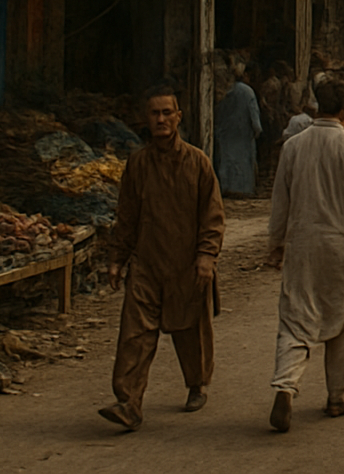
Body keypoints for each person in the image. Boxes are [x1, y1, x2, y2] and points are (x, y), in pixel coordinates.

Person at [99, 86, 225, 430]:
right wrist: (117, 259)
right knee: (134, 335)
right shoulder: (138, 163)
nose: (160, 119)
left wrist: (206, 256)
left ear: (178, 117)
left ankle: (196, 384)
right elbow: (127, 216)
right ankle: (129, 402)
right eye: (154, 114)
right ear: (146, 119)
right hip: (146, 264)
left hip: (187, 263)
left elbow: (213, 216)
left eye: (167, 113)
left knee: (191, 330)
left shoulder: (198, 162)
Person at [267, 78, 344, 432]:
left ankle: (285, 386)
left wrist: (276, 244)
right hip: (341, 248)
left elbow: (279, 202)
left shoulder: (293, 146)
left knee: (295, 318)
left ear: (317, 106)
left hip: (301, 246)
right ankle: (338, 396)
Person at [213, 66, 262, 195]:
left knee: (226, 162)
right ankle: (243, 191)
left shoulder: (222, 93)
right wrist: (256, 130)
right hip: (243, 136)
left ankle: (226, 189)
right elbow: (254, 116)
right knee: (243, 165)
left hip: (225, 135)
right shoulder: (247, 92)